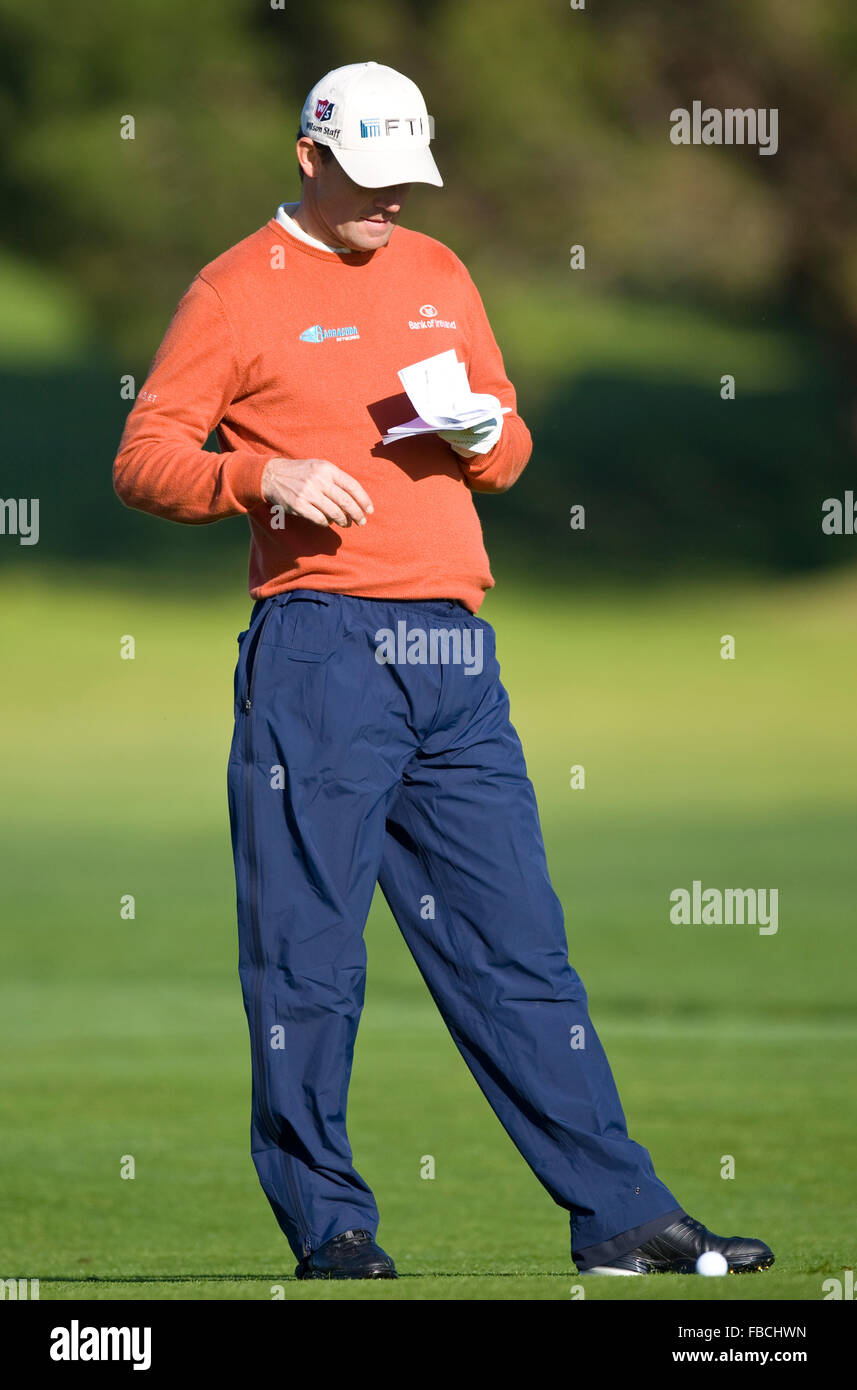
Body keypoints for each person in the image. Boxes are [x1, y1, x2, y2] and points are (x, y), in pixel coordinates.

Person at [112, 61, 774, 1281]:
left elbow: (508, 449)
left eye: (404, 181)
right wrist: (257, 478)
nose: (388, 204)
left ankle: (621, 1218)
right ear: (308, 160)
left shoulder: (437, 271)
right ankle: (332, 1226)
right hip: (318, 649)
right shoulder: (233, 289)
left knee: (518, 945)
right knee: (308, 954)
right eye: (366, 181)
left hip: (454, 655)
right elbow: (144, 455)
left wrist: (483, 435)